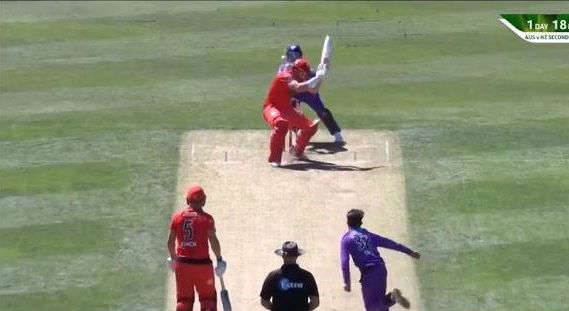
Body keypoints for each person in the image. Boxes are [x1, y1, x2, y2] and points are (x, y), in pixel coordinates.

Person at [340, 209, 421, 311]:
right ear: (361, 223)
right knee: (381, 305)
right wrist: (410, 252)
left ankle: (392, 298)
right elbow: (390, 243)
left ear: (348, 222)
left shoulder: (346, 240)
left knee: (372, 307)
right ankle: (391, 298)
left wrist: (347, 282)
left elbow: (344, 262)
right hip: (380, 269)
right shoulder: (369, 235)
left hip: (369, 273)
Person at [167, 184, 227, 311]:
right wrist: (219, 259)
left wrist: (173, 258)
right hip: (203, 266)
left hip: (183, 265)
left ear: (188, 200)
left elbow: (170, 241)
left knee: (184, 300)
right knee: (207, 300)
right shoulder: (207, 219)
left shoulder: (177, 217)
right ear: (203, 200)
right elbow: (213, 240)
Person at [263, 57, 326, 167]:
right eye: (303, 73)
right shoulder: (286, 76)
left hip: (286, 109)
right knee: (281, 124)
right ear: (296, 70)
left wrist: (321, 77)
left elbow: (314, 90)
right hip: (271, 107)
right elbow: (297, 87)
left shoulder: (299, 78)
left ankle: (297, 152)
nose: (305, 76)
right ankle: (275, 159)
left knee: (311, 127)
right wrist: (316, 77)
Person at [278, 44, 344, 144]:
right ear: (287, 56)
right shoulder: (283, 68)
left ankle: (337, 134)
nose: (293, 58)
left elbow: (314, 86)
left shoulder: (304, 67)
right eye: (291, 55)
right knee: (291, 113)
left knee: (322, 111)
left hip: (306, 91)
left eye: (296, 55)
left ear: (300, 56)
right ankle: (299, 132)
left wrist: (322, 73)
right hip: (292, 93)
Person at [260, 241, 320, 311]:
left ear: (282, 256)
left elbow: (264, 301)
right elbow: (315, 302)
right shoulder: (307, 276)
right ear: (297, 256)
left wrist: (275, 309)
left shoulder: (273, 276)